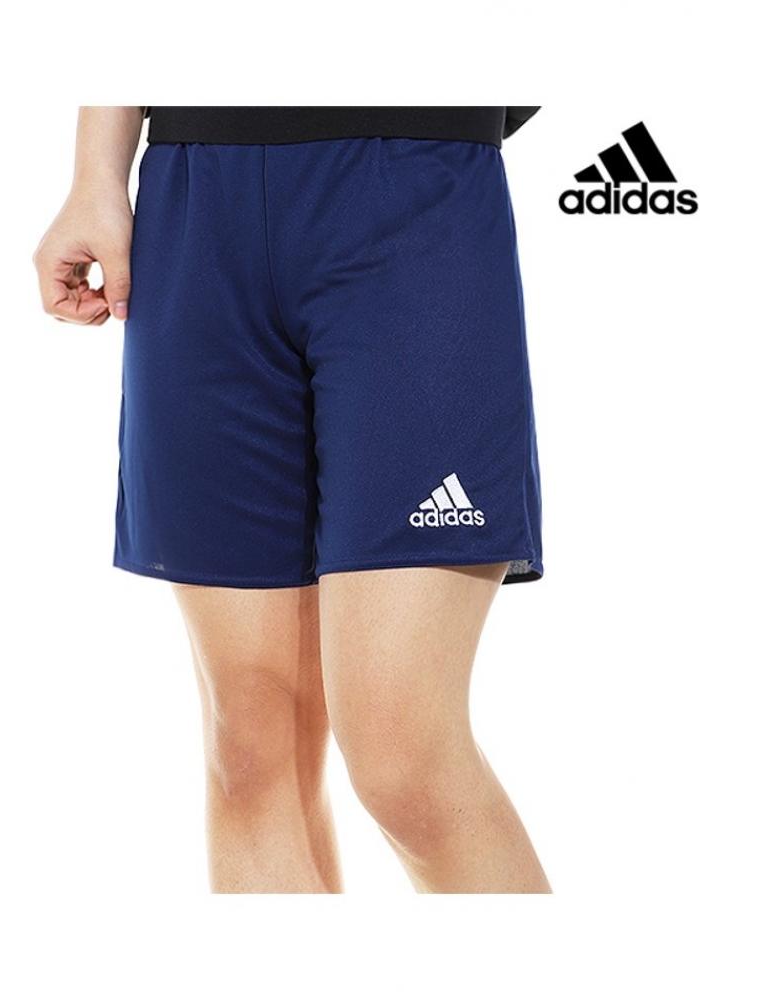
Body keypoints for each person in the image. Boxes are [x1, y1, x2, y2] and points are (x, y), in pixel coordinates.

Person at [33, 106, 550, 893]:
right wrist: (96, 173)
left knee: (404, 757)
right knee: (251, 745)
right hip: (196, 195)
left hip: (413, 184)